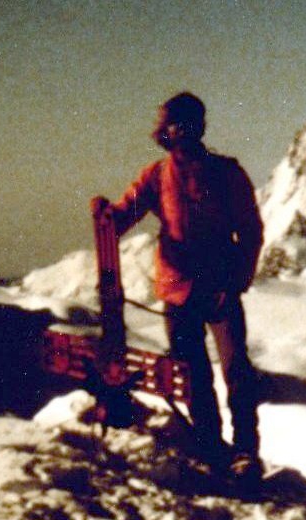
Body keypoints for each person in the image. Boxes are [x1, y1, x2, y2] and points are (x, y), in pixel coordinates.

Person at [91, 92, 265, 479]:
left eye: (186, 123)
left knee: (236, 369)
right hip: (180, 289)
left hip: (219, 288)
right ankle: (210, 447)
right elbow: (123, 216)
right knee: (193, 373)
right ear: (164, 131)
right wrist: (105, 214)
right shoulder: (156, 176)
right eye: (174, 124)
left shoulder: (226, 172)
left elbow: (250, 231)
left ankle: (244, 452)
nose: (180, 131)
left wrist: (236, 279)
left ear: (199, 126)